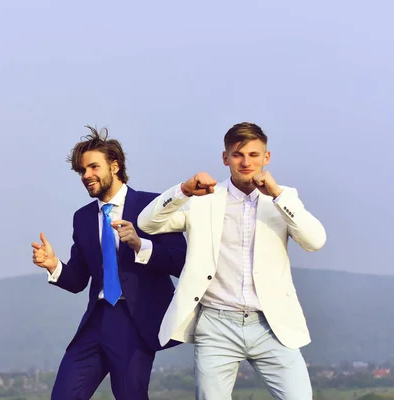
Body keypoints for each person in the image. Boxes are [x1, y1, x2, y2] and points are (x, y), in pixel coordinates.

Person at [137, 122, 327, 399]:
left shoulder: (283, 198)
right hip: (216, 325)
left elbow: (315, 241)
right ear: (225, 158)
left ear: (266, 157)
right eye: (238, 155)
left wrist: (278, 196)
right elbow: (147, 223)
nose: (246, 162)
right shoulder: (203, 200)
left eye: (253, 154)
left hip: (271, 325)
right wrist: (183, 191)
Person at [31, 126, 187, 399]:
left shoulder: (154, 205)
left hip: (135, 320)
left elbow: (180, 261)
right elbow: (78, 280)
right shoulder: (82, 218)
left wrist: (141, 244)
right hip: (95, 320)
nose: (86, 176)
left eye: (93, 167)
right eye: (82, 171)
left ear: (114, 166)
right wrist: (54, 265)